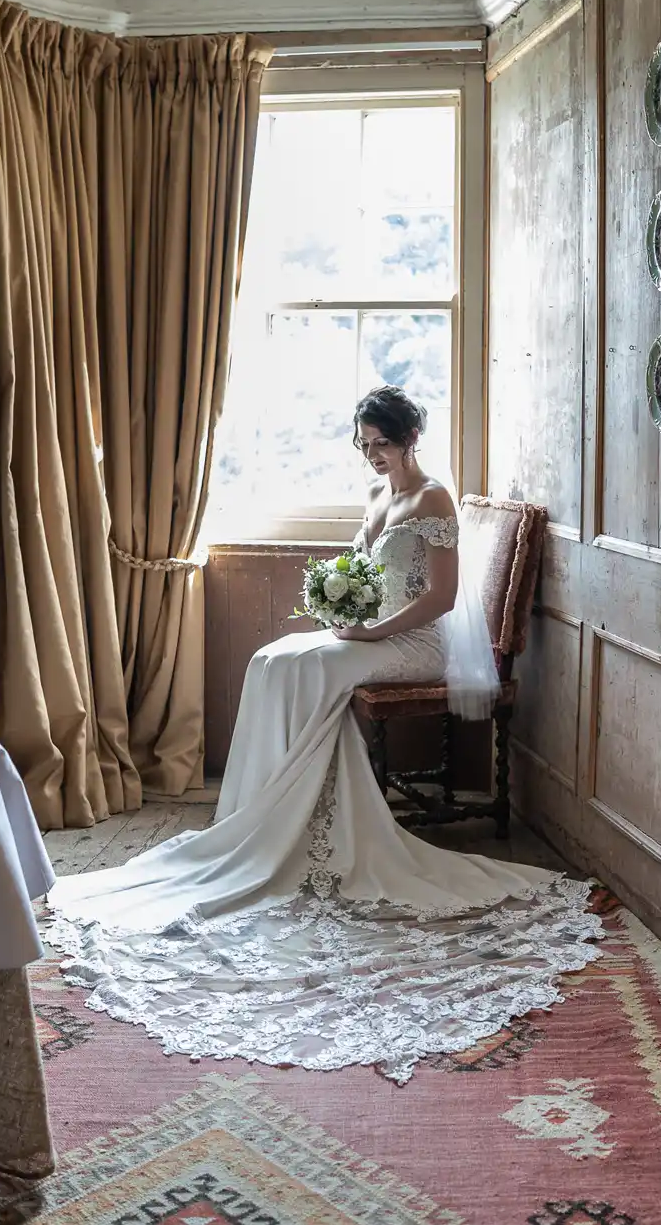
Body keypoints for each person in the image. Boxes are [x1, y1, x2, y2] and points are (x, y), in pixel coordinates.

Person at [45, 385, 602, 1081]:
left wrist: (367, 629)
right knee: (271, 660)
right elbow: (361, 573)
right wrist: (339, 608)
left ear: (409, 438)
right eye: (364, 444)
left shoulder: (433, 499)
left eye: (381, 443)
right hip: (370, 632)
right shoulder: (376, 500)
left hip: (416, 640)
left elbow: (442, 598)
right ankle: (267, 815)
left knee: (307, 668)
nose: (372, 455)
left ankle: (293, 819)